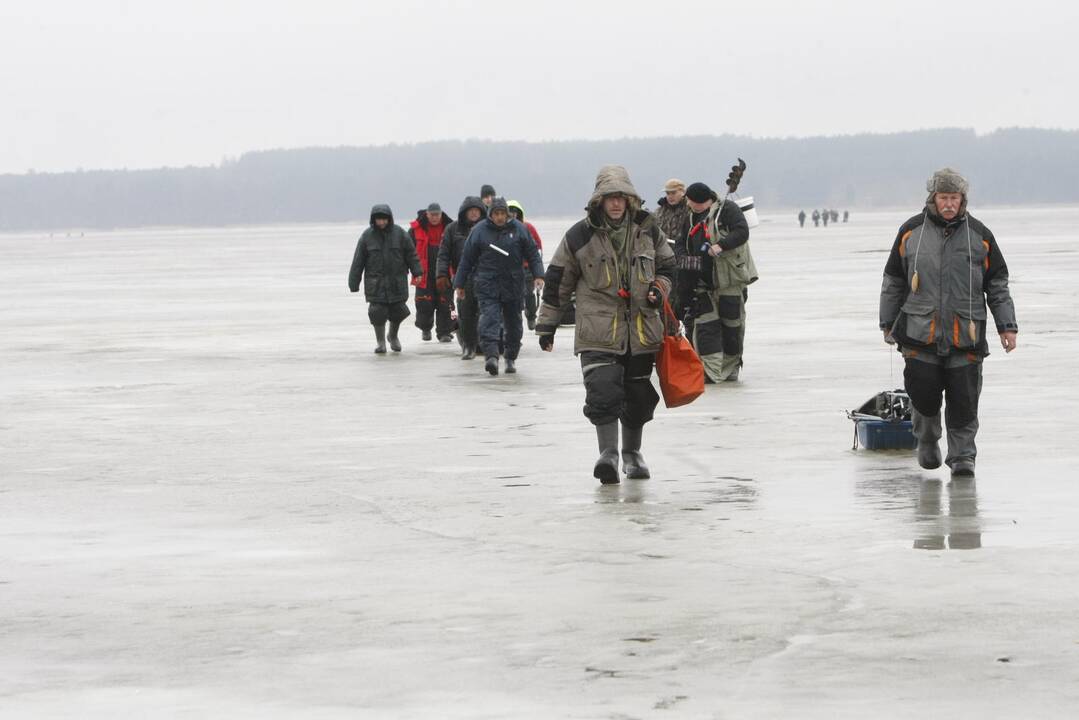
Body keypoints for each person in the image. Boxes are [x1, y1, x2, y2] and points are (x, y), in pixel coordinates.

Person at [535, 165, 675, 484]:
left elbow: (668, 267)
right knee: (603, 392)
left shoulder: (648, 229)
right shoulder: (579, 235)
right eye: (609, 198)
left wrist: (659, 288)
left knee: (638, 396)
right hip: (598, 331)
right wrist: (547, 326)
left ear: (630, 200)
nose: (615, 204)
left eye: (621, 197)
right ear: (599, 201)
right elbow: (558, 283)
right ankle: (608, 454)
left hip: (642, 329)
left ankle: (632, 454)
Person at [880, 168, 1018, 476]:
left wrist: (1006, 326)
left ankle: (963, 456)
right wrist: (888, 322)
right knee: (924, 396)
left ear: (962, 199)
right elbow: (893, 280)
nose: (948, 205)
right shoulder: (910, 232)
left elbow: (997, 283)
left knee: (964, 400)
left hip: (965, 335)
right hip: (920, 334)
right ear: (933, 198)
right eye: (943, 198)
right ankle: (927, 441)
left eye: (954, 198)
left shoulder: (980, 235)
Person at [454, 197, 544, 376]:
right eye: (496, 214)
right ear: (491, 214)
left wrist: (539, 275)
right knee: (489, 320)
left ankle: (510, 357)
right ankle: (491, 357)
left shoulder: (520, 229)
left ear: (508, 214)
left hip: (513, 283)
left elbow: (533, 254)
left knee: (514, 324)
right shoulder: (479, 231)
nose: (500, 217)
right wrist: (460, 283)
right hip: (488, 283)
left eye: (503, 213)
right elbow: (467, 259)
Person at [678, 182, 756, 383]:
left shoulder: (727, 210)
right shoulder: (689, 217)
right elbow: (681, 243)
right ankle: (710, 371)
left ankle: (731, 366)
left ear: (700, 201)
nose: (688, 203)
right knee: (705, 327)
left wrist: (720, 246)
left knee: (732, 326)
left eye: (690, 200)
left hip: (729, 280)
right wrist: (684, 260)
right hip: (702, 282)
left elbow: (742, 232)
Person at [348, 204, 423, 353]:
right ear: (373, 220)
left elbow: (411, 255)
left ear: (389, 219)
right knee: (377, 312)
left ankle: (393, 336)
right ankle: (380, 342)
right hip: (376, 283)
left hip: (397, 281)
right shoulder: (367, 236)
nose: (381, 222)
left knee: (399, 311)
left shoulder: (400, 234)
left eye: (384, 219)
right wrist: (353, 282)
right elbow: (358, 261)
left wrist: (417, 272)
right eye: (378, 220)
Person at [436, 196, 487, 359]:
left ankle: (485, 344)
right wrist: (441, 274)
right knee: (465, 314)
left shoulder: (489, 228)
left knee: (486, 313)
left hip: (486, 277)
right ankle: (468, 346)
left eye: (476, 210)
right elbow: (443, 255)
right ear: (464, 212)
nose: (473, 213)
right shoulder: (452, 229)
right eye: (470, 211)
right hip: (463, 279)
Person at [408, 202, 454, 342]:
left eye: (437, 215)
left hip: (445, 271)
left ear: (441, 214)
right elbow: (407, 251)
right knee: (424, 304)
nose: (435, 217)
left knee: (445, 303)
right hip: (423, 273)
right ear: (427, 214)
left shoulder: (451, 227)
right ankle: (425, 328)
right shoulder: (415, 230)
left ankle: (444, 332)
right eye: (432, 215)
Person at [507, 200, 544, 330]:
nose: (512, 214)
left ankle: (531, 317)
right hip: (510, 268)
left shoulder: (528, 227)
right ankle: (515, 323)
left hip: (527, 267)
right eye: (510, 211)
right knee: (514, 297)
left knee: (529, 293)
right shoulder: (502, 230)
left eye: (515, 212)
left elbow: (538, 246)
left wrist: (538, 272)